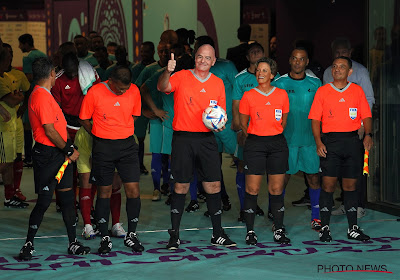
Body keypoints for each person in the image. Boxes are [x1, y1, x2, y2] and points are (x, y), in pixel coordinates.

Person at [157, 44, 237, 249]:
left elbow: (220, 113)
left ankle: (217, 234)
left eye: (207, 58)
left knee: (214, 186)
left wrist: (219, 125)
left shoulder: (218, 83)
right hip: (183, 139)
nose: (203, 61)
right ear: (195, 58)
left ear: (213, 61)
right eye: (200, 56)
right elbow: (163, 87)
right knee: (181, 186)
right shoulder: (181, 76)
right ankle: (174, 235)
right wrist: (168, 71)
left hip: (207, 139)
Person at [18, 57, 90, 260]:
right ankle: (28, 244)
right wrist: (69, 150)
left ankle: (73, 243)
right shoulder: (40, 96)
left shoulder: (45, 94)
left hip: (59, 155)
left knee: (68, 200)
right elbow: (49, 130)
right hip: (49, 156)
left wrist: (67, 149)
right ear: (51, 73)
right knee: (44, 201)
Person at [79, 65, 144, 254]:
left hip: (127, 147)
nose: (123, 91)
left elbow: (135, 115)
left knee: (133, 189)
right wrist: (98, 134)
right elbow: (84, 119)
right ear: (110, 81)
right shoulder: (96, 92)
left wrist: (120, 129)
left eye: (126, 88)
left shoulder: (134, 91)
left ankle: (131, 235)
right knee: (104, 191)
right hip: (103, 147)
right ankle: (105, 238)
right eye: (119, 88)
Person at [309, 56, 373, 242]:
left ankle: (353, 228)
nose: (337, 69)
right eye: (335, 66)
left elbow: (366, 115)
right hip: (330, 143)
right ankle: (325, 228)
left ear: (350, 72)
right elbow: (315, 119)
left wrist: (368, 134)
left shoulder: (357, 91)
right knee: (328, 185)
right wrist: (319, 142)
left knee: (350, 186)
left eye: (342, 67)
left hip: (352, 142)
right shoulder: (322, 91)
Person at [239, 57, 290, 245]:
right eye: (258, 70)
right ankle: (250, 231)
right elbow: (243, 124)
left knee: (276, 189)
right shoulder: (248, 95)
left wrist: (271, 133)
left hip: (277, 145)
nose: (260, 73)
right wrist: (257, 135)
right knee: (252, 188)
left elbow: (283, 122)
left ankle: (278, 229)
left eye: (264, 70)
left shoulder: (282, 95)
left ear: (273, 75)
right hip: (255, 145)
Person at [323, 37, 374, 218]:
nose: (340, 55)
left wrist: (363, 126)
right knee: (339, 169)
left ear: (350, 53)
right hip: (334, 131)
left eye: (343, 52)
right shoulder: (329, 72)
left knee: (356, 168)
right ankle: (345, 203)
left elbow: (368, 100)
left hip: (356, 128)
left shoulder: (360, 71)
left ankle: (358, 205)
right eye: (337, 52)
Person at [273, 47, 322, 231]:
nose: (297, 62)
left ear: (307, 62)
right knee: (282, 180)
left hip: (310, 141)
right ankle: (278, 219)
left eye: (301, 59)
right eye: (294, 58)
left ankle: (316, 218)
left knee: (313, 178)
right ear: (290, 60)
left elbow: (322, 111)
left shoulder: (315, 83)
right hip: (286, 141)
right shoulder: (280, 83)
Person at [232, 42, 265, 221]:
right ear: (247, 58)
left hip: (267, 132)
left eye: (258, 51)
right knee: (243, 167)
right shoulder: (240, 78)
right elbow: (235, 105)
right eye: (252, 52)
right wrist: (239, 130)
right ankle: (244, 207)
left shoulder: (272, 77)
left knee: (261, 170)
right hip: (247, 132)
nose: (255, 54)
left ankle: (255, 204)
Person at [136, 41, 171, 201]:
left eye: (167, 51)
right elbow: (137, 90)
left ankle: (168, 186)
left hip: (173, 120)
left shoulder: (179, 72)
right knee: (157, 154)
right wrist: (145, 110)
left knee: (170, 156)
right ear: (158, 52)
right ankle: (157, 188)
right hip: (157, 120)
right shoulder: (151, 70)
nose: (164, 53)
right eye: (161, 51)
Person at [0, 48, 28, 209]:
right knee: (4, 164)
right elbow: (11, 99)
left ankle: (9, 197)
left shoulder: (8, 77)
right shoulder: (1, 80)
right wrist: (16, 96)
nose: (10, 61)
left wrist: (18, 96)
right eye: (8, 58)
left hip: (9, 127)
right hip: (2, 129)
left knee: (9, 162)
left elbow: (18, 96)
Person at [18, 34, 47, 168]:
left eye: (20, 44)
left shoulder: (28, 57)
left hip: (31, 96)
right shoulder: (43, 55)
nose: (19, 47)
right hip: (44, 94)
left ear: (26, 43)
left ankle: (29, 157)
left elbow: (28, 79)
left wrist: (24, 101)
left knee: (28, 127)